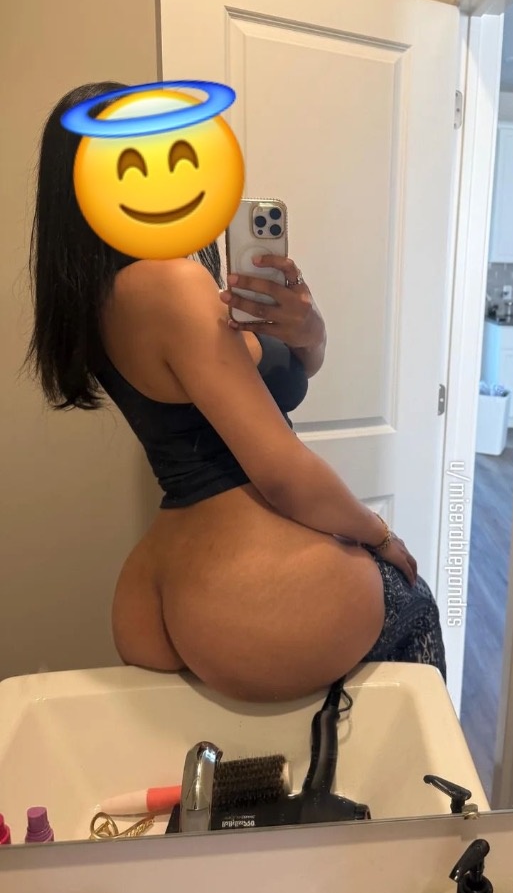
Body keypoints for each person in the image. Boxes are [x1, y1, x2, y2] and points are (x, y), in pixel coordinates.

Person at [25, 82, 446, 702]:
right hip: (251, 586)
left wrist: (308, 330)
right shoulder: (174, 284)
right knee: (414, 607)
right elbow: (281, 473)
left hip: (163, 581)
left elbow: (288, 377)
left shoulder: (103, 298)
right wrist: (379, 534)